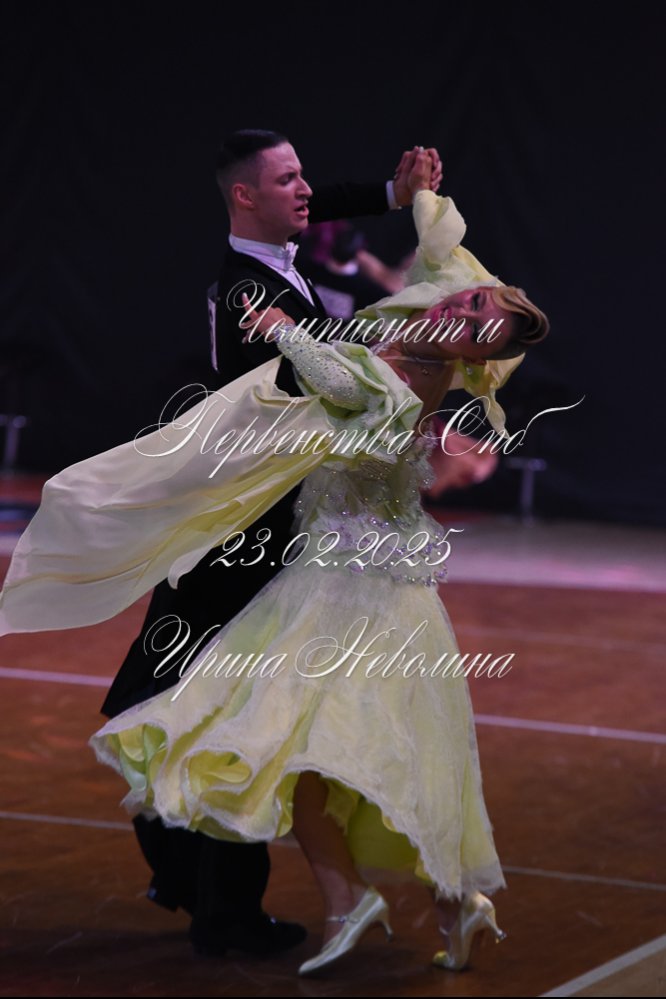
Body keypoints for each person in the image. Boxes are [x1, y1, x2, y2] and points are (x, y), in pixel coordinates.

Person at [0, 154, 549, 976]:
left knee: (308, 744)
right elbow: (442, 248)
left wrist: (279, 327)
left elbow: (340, 378)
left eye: (474, 320)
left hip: (348, 582)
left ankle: (335, 900)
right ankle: (442, 901)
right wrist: (415, 193)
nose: (461, 306)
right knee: (341, 750)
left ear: (471, 355)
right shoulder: (436, 304)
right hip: (342, 563)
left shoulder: (412, 377)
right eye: (474, 298)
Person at [92, 129, 445, 957]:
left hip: (260, 524)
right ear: (244, 196)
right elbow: (329, 372)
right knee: (202, 701)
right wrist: (408, 348)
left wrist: (389, 197)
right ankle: (207, 895)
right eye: (287, 179)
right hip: (241, 533)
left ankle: (203, 890)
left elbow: (325, 208)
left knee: (216, 703)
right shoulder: (248, 294)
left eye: (304, 175)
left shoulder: (273, 269)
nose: (305, 188)